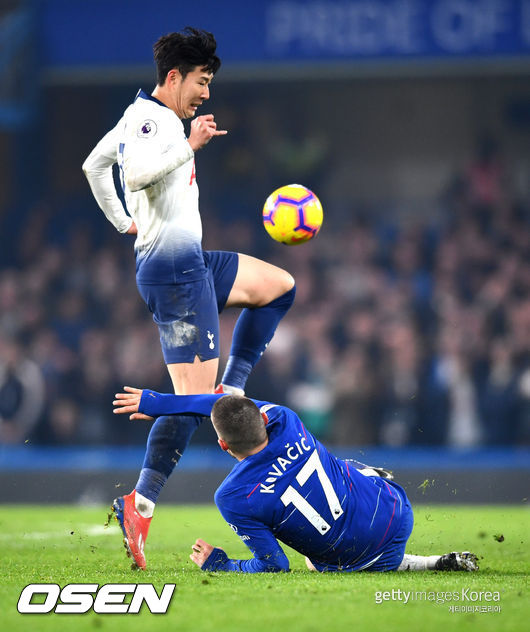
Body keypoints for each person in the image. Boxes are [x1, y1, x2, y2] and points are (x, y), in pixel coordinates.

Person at [82, 27, 295, 570]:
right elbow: (134, 174)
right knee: (198, 403)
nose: (205, 93)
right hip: (174, 275)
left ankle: (234, 383)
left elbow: (94, 166)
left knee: (278, 287)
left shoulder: (137, 117)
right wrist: (188, 146)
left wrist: (123, 223)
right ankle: (140, 504)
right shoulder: (152, 123)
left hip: (191, 264)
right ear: (174, 77)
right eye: (201, 81)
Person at [113, 387, 479, 573]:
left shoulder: (232, 496)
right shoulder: (285, 419)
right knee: (342, 467)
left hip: (356, 556)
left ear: (223, 445)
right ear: (262, 418)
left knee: (314, 561)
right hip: (396, 512)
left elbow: (275, 565)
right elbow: (221, 400)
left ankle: (423, 563)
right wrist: (158, 402)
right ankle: (377, 488)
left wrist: (220, 564)